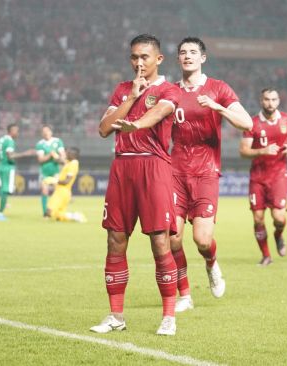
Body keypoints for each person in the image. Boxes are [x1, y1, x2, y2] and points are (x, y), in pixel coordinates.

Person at [89, 34, 181, 336]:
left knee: (159, 242)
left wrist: (136, 123)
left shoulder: (169, 89)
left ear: (159, 59)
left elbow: (159, 112)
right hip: (122, 166)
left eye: (144, 57)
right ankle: (116, 316)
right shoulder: (122, 90)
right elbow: (104, 129)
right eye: (134, 57)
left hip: (153, 168)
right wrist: (131, 97)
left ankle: (169, 316)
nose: (138, 63)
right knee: (115, 240)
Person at [169, 37, 253, 313]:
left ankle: (211, 263)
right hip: (175, 173)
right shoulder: (171, 92)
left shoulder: (218, 88)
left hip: (206, 172)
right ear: (178, 59)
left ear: (203, 58)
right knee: (172, 238)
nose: (187, 56)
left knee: (202, 240)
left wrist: (218, 107)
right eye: (183, 52)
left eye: (193, 52)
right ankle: (184, 295)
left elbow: (247, 123)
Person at [239, 88, 287, 266]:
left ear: (278, 101)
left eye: (273, 99)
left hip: (278, 175)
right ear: (261, 101)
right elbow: (243, 151)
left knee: (279, 218)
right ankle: (266, 255)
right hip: (257, 177)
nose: (270, 103)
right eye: (267, 99)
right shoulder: (252, 123)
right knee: (258, 218)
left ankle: (278, 235)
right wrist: (263, 150)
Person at [0, 123, 35, 221]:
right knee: (6, 189)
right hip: (7, 167)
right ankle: (0, 213)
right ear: (11, 131)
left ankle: (4, 205)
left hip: (0, 165)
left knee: (7, 188)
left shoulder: (2, 139)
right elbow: (10, 156)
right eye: (16, 131)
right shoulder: (9, 141)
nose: (18, 133)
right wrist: (25, 153)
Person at [45, 147, 85, 223]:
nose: (66, 154)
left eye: (68, 153)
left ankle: (76, 216)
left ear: (73, 155)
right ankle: (75, 216)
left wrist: (54, 180)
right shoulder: (70, 162)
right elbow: (60, 160)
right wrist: (54, 154)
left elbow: (67, 181)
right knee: (58, 215)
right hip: (62, 191)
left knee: (49, 212)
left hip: (62, 191)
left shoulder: (73, 165)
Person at [36, 124, 66, 217]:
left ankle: (56, 211)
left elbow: (63, 157)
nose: (45, 133)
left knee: (58, 191)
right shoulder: (40, 144)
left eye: (47, 131)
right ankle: (45, 213)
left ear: (51, 132)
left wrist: (59, 158)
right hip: (44, 172)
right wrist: (50, 155)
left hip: (56, 171)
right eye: (43, 132)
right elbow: (40, 160)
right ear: (41, 133)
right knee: (45, 191)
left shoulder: (58, 141)